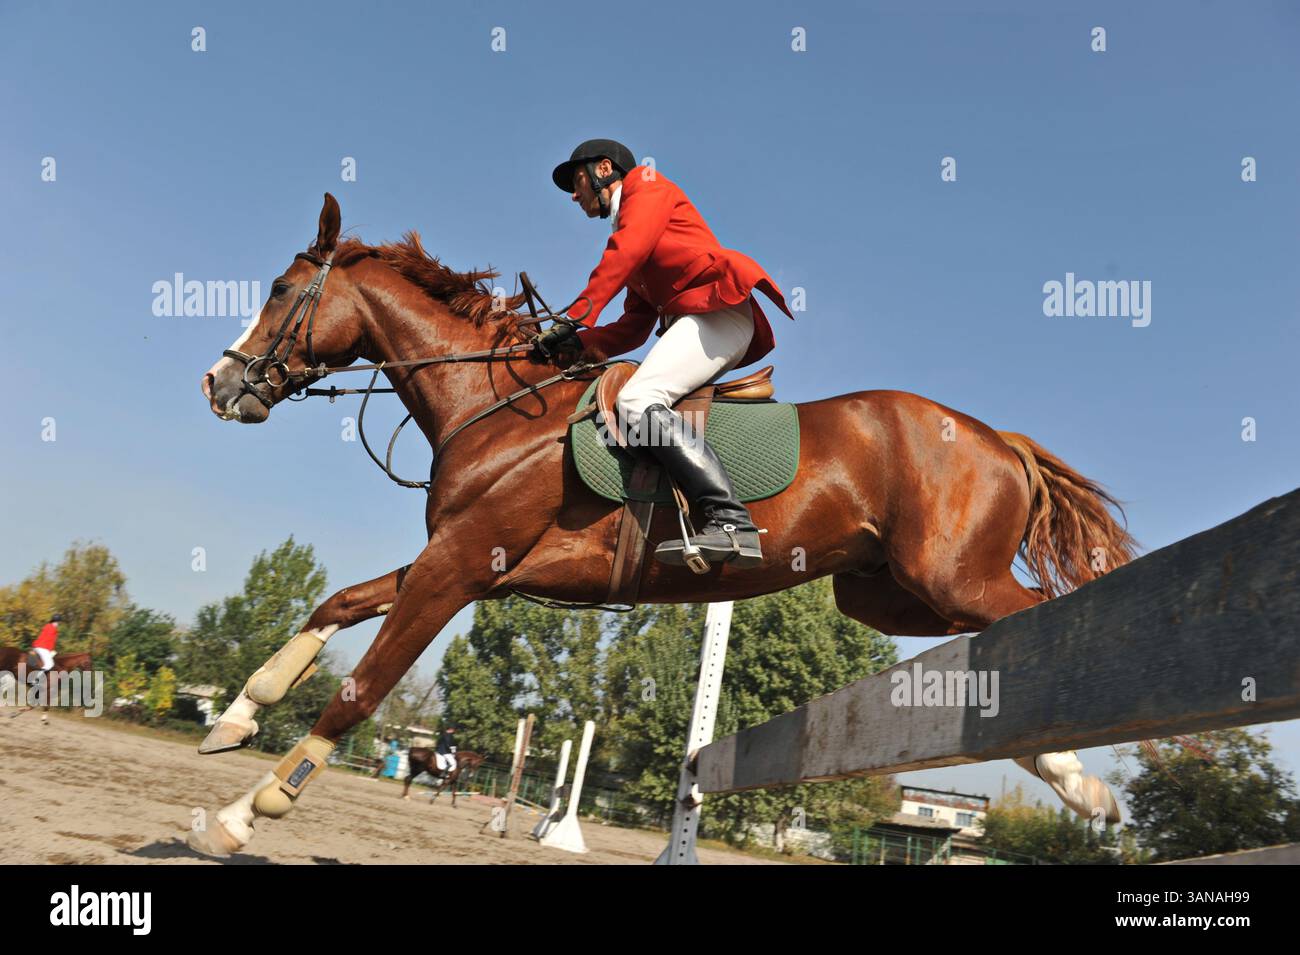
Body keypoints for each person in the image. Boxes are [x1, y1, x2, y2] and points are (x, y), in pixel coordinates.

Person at [537, 139, 794, 568]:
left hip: (719, 311)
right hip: (701, 318)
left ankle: (732, 523)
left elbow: (626, 251)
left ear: (604, 169)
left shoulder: (647, 189)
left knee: (637, 402)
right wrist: (578, 343)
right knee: (640, 399)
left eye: (576, 180)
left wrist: (577, 314)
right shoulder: (630, 228)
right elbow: (635, 326)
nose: (573, 193)